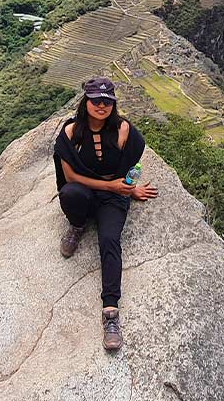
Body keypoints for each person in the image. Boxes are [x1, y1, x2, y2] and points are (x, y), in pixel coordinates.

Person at [52, 76, 158, 351]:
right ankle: (77, 224)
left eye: (107, 101)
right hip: (86, 191)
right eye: (96, 100)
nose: (101, 105)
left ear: (113, 104)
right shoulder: (71, 132)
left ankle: (110, 313)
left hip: (113, 198)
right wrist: (108, 184)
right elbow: (70, 176)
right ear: (85, 102)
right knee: (70, 194)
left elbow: (130, 165)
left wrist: (127, 189)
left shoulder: (123, 129)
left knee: (109, 240)